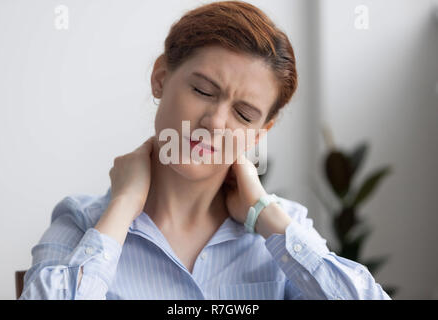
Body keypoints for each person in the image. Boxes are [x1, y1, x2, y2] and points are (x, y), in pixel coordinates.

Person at [19, 1, 391, 300]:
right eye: (202, 91)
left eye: (243, 115)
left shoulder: (282, 232)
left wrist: (266, 215)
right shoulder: (85, 223)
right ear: (161, 78)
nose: (215, 123)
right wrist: (124, 206)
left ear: (261, 133)